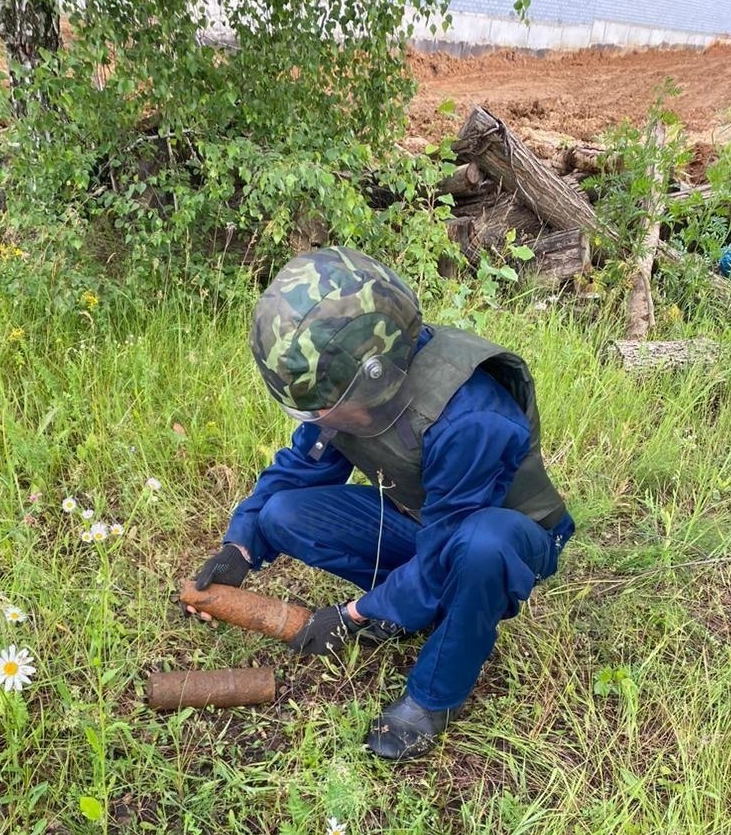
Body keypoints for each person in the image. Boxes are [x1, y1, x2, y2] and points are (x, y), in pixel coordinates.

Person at [188, 247, 574, 761]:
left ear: (372, 373)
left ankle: (431, 698)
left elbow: (448, 548)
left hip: (510, 536)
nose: (317, 414)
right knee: (283, 513)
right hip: (424, 524)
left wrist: (354, 615)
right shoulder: (350, 393)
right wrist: (240, 546)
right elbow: (298, 471)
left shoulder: (471, 417)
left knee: (481, 549)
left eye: (322, 403)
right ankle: (410, 608)